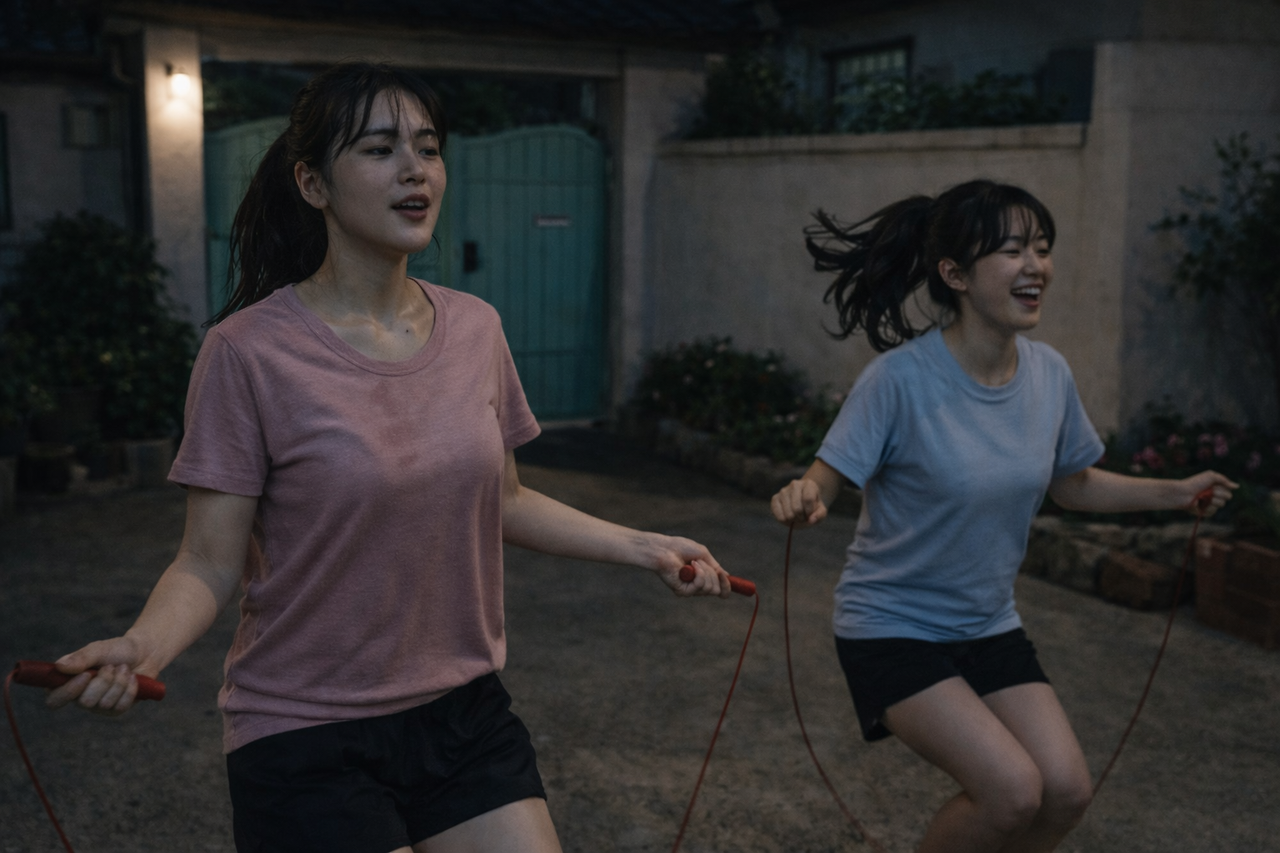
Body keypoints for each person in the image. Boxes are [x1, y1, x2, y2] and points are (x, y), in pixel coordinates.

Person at [45, 62, 733, 853]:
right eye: (379, 150)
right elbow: (207, 559)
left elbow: (504, 498)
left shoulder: (476, 327)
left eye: (428, 148)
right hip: (305, 731)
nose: (415, 169)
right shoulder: (246, 352)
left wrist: (646, 546)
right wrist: (143, 645)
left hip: (462, 714)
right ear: (312, 183)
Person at [770, 180, 1237, 853]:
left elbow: (1073, 484)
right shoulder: (899, 381)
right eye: (1013, 250)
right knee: (1011, 790)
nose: (1035, 266)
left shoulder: (1049, 375)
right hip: (891, 627)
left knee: (1066, 791)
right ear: (955, 274)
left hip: (988, 623)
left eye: (1042, 248)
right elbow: (825, 478)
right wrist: (804, 495)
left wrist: (1176, 493)